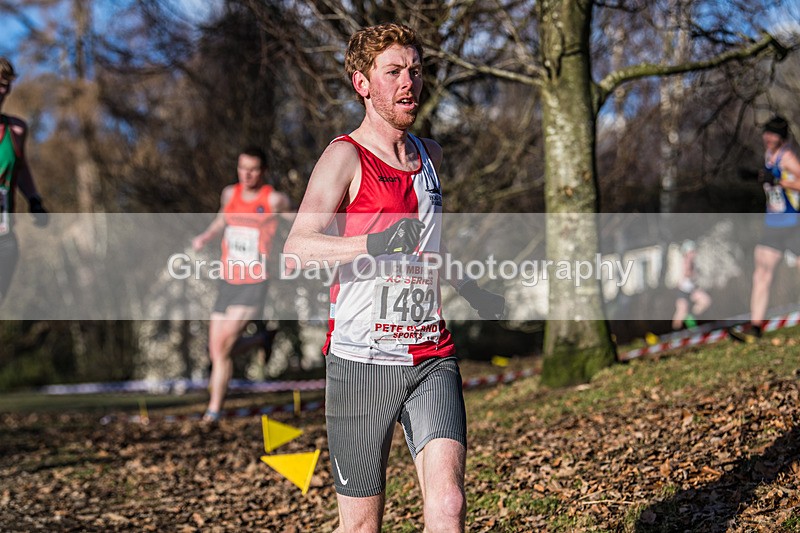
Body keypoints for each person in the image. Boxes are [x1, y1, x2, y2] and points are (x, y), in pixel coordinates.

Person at [283, 23, 504, 532]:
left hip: (431, 354)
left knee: (449, 503)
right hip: (360, 362)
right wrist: (373, 244)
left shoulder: (431, 157)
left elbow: (430, 245)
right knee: (362, 526)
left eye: (416, 70)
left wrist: (470, 287)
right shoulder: (345, 156)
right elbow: (296, 248)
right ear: (362, 83)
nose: (409, 82)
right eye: (394, 72)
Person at [192, 146, 291, 421]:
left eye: (253, 169)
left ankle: (213, 411)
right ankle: (261, 338)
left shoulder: (274, 200)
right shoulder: (229, 194)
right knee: (216, 350)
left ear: (264, 171)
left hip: (254, 282)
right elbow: (221, 220)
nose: (246, 174)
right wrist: (205, 237)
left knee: (223, 346)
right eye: (242, 168)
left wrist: (298, 252)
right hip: (228, 280)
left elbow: (300, 225)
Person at [730, 116, 800, 342]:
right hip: (774, 225)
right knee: (761, 273)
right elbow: (771, 179)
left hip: (794, 224)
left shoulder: (787, 156)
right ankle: (755, 327)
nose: (768, 138)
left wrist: (779, 181)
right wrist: (757, 176)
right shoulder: (769, 155)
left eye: (773, 134)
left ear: (782, 137)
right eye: (766, 133)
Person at [0, 57, 48, 305]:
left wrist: (34, 199)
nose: (3, 90)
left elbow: (20, 167)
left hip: (4, 236)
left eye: (6, 84)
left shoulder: (16, 129)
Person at [671, 239, 711, 330]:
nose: (694, 254)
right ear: (687, 253)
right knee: (681, 311)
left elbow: (694, 279)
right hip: (682, 291)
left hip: (692, 290)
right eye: (692, 252)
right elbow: (685, 275)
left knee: (705, 301)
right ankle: (674, 331)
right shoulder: (683, 262)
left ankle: (691, 316)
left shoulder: (694, 263)